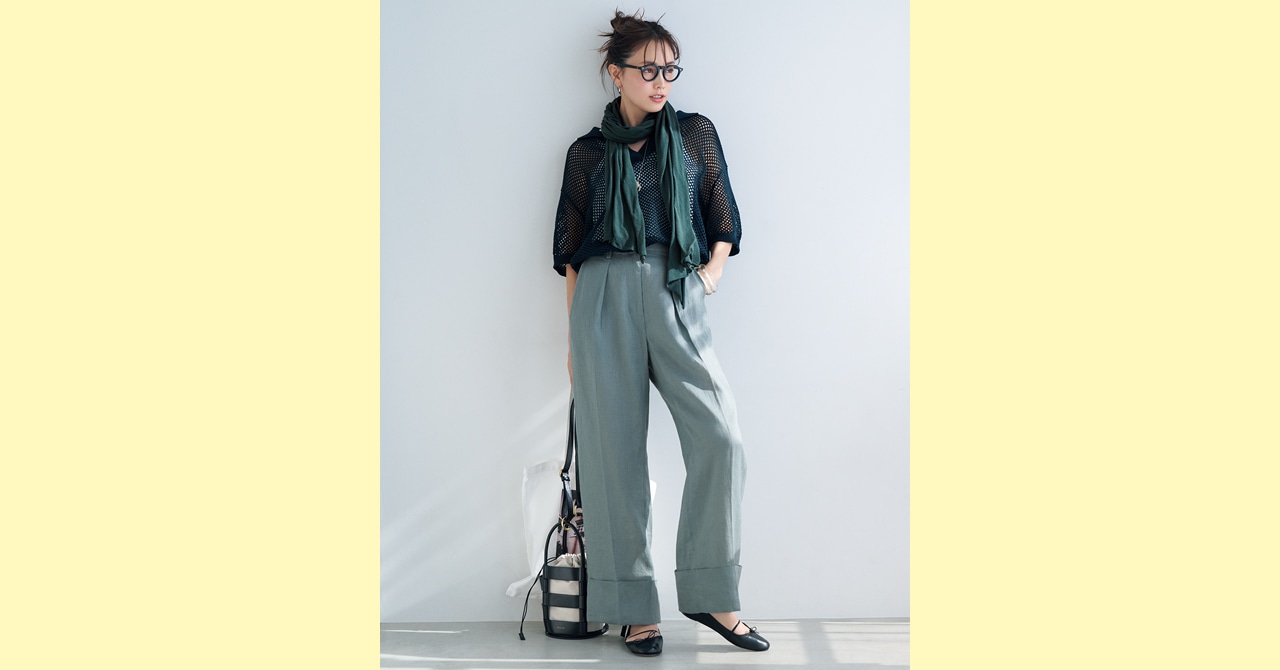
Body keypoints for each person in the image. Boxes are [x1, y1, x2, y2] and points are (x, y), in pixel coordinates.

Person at [551, 9, 769, 657]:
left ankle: (712, 594)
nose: (660, 81)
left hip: (677, 288)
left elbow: (723, 219)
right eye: (647, 69)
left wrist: (710, 275)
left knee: (722, 436)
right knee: (613, 458)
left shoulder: (696, 134)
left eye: (670, 69)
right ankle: (633, 610)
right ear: (615, 73)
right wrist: (574, 339)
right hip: (601, 297)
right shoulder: (587, 153)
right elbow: (570, 252)